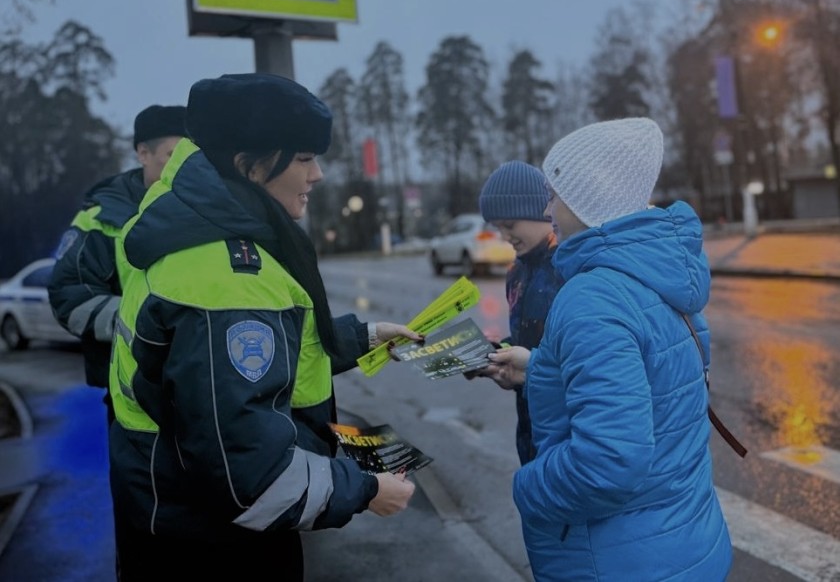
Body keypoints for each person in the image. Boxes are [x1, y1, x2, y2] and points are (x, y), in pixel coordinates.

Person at [108, 72, 421, 581]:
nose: (317, 174)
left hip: (169, 516)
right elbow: (250, 475)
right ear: (248, 166)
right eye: (303, 158)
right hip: (214, 546)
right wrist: (366, 490)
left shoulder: (193, 231)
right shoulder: (228, 279)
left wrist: (362, 337)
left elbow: (239, 364)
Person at [485, 118, 732, 581]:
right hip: (688, 541)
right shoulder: (658, 272)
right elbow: (652, 386)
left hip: (618, 559)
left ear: (586, 197)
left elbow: (608, 462)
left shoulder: (591, 297)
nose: (548, 206)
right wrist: (538, 369)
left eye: (555, 193)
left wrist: (528, 486)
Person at [49, 104, 187, 423]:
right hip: (131, 396)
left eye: (191, 156)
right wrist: (149, 324)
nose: (183, 166)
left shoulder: (213, 212)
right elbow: (68, 296)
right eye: (172, 155)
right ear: (143, 153)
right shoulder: (99, 221)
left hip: (203, 389)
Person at [470, 160, 563, 465]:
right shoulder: (517, 273)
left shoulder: (569, 269)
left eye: (510, 225)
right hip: (530, 426)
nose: (504, 236)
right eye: (498, 227)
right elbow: (528, 339)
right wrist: (495, 353)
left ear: (541, 212)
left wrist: (531, 367)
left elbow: (578, 358)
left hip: (565, 430)